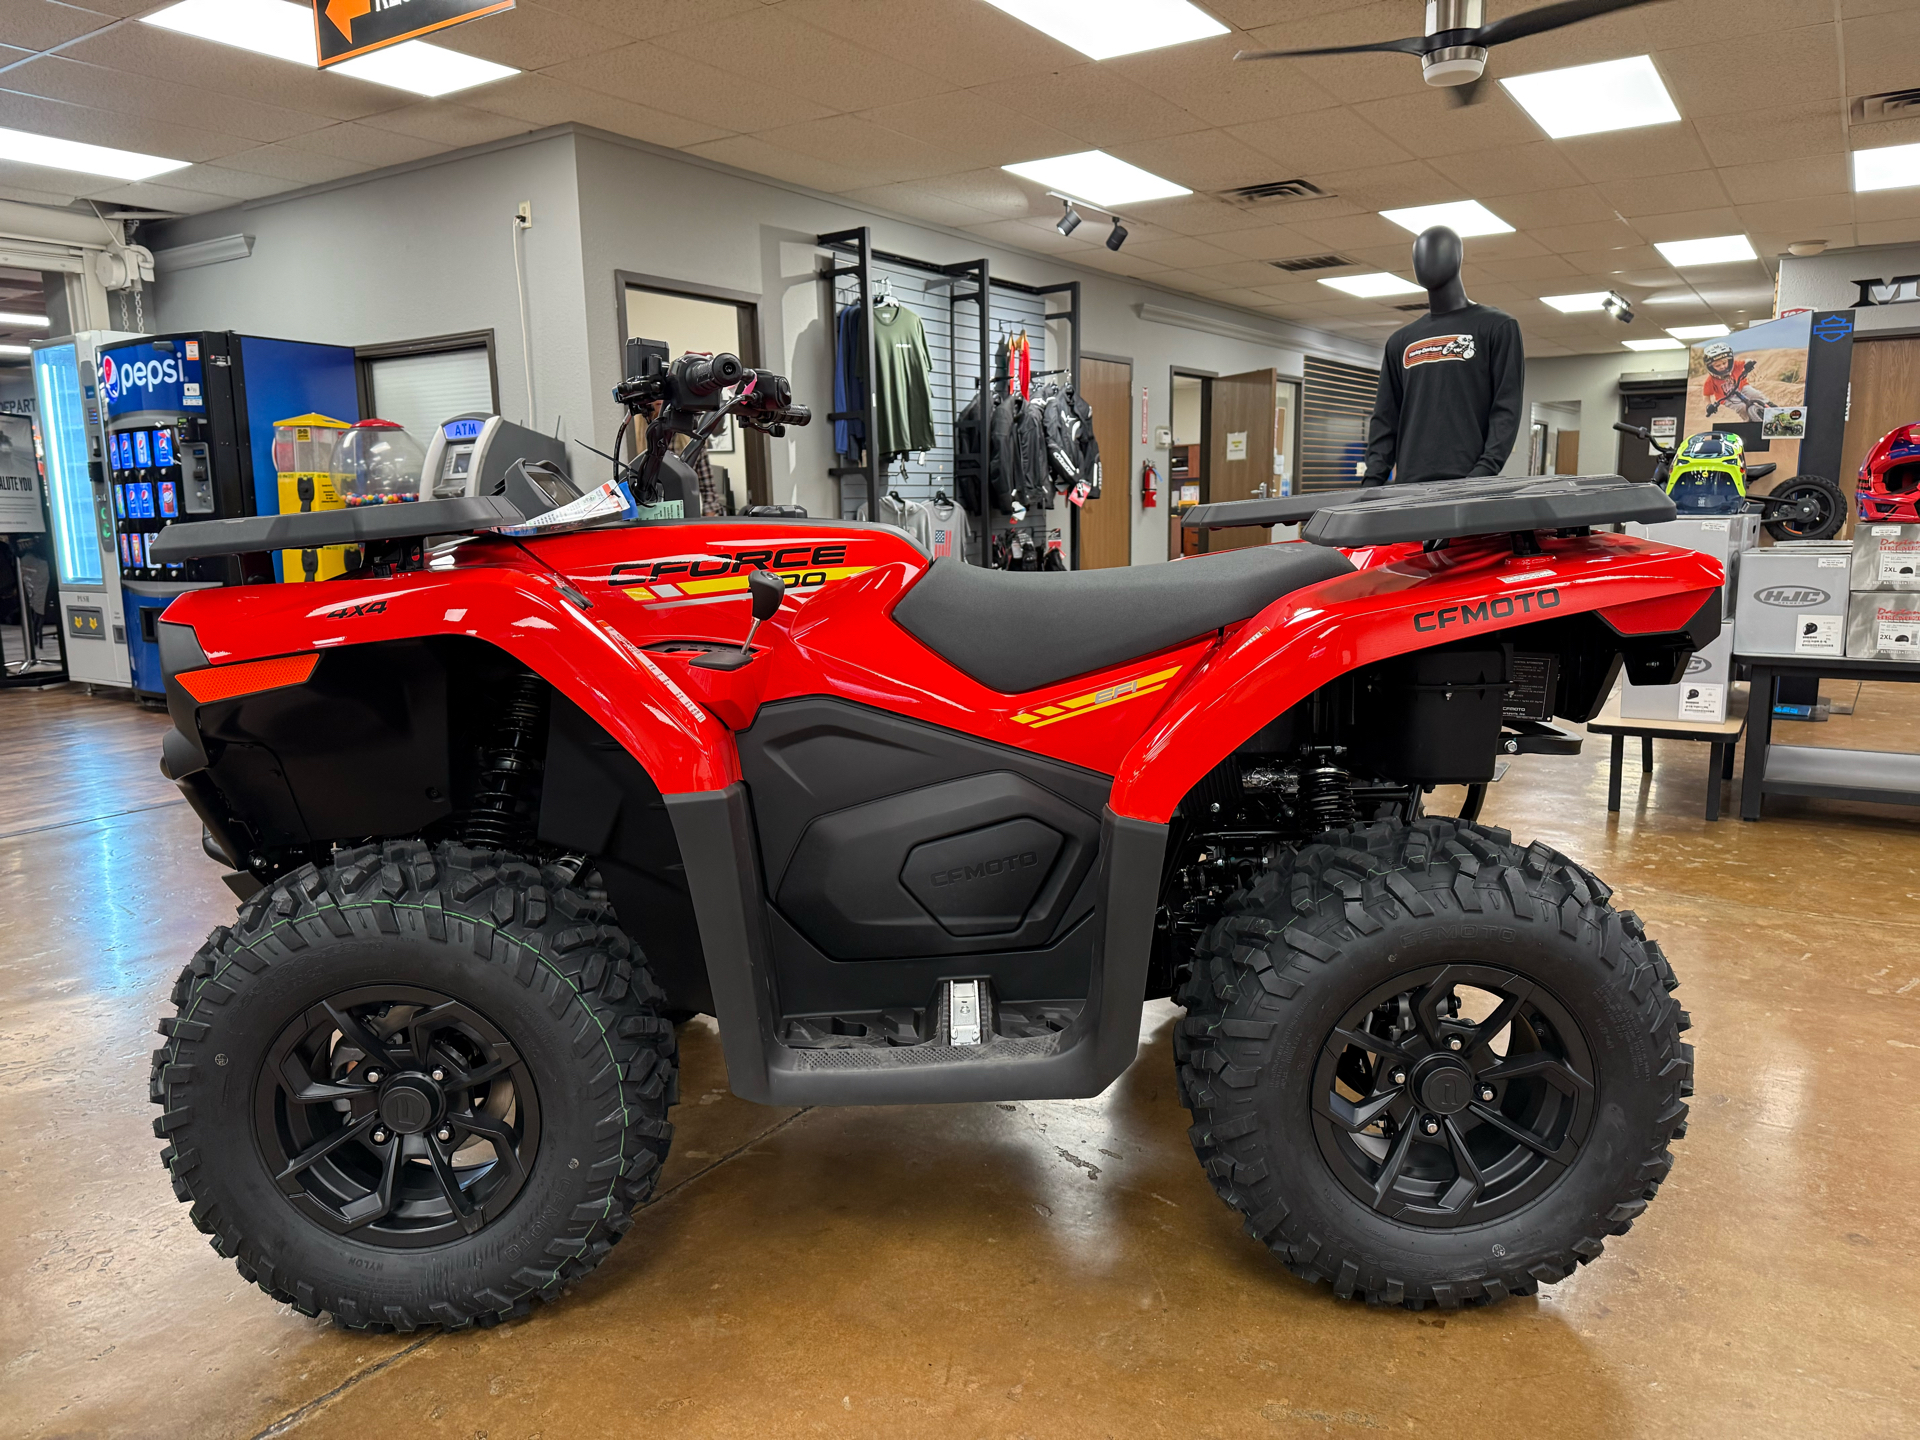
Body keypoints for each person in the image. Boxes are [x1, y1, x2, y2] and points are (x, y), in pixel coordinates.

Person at [1364, 226, 1524, 485]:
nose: (1425, 263)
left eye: (1436, 253)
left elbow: (1506, 408)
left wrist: (1483, 472)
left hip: (1468, 484)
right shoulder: (1400, 342)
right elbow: (1385, 419)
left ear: (1457, 257)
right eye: (1419, 257)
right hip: (1409, 486)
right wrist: (1372, 482)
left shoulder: (1497, 327)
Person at [1700, 342, 1769, 422]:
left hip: (1741, 387)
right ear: (1711, 367)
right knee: (1742, 407)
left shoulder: (1735, 365)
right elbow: (1706, 396)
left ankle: (1771, 407)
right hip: (1726, 398)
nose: (1722, 366)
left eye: (1724, 363)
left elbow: (1745, 361)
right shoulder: (1710, 380)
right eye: (1718, 366)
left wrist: (1749, 363)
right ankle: (1749, 421)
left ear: (1729, 361)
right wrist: (1709, 406)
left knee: (1756, 394)